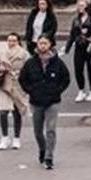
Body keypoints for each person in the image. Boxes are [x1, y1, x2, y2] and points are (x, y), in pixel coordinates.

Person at [18, 35, 70, 169]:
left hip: (53, 101)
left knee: (51, 129)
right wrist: (31, 90)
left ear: (50, 45)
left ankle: (49, 156)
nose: (43, 46)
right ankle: (42, 148)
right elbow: (22, 79)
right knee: (37, 131)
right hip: (36, 101)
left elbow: (66, 78)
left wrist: (57, 90)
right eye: (40, 43)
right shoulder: (31, 63)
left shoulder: (57, 62)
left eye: (45, 43)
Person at [0, 32, 29, 151]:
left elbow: (29, 67)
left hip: (17, 84)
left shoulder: (23, 53)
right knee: (3, 111)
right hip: (4, 83)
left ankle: (16, 138)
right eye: (9, 40)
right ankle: (4, 137)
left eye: (14, 40)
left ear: (18, 42)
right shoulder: (2, 52)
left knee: (16, 111)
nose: (11, 42)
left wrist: (21, 74)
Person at [64, 0, 91, 102]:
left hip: (89, 46)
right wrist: (67, 48)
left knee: (90, 69)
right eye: (79, 6)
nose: (80, 8)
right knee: (78, 69)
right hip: (79, 46)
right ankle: (81, 90)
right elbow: (72, 34)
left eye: (82, 5)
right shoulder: (76, 20)